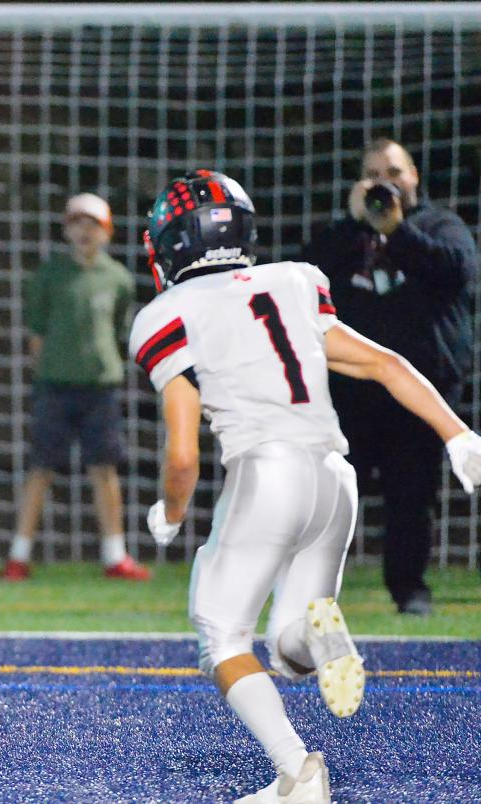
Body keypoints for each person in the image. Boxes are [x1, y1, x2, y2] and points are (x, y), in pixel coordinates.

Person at [129, 170, 481, 803]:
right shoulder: (294, 280)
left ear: (174, 243)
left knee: (220, 634)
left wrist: (171, 512)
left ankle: (298, 774)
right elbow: (386, 364)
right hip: (333, 478)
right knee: (287, 650)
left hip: (268, 473)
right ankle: (320, 638)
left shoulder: (167, 312)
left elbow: (183, 453)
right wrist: (458, 434)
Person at [303, 138, 478, 615]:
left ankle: (410, 591)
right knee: (333, 492)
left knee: (412, 495)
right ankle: (312, 593)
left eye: (395, 170)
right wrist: (354, 222)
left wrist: (396, 230)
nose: (386, 181)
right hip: (350, 387)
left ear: (415, 177)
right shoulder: (344, 235)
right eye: (374, 173)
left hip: (421, 390)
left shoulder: (440, 225)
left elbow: (456, 272)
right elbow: (305, 280)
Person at [1, 193, 150, 582]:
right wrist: (49, 368)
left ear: (106, 232)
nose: (85, 231)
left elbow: (119, 331)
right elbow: (37, 333)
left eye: (93, 224)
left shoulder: (117, 278)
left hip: (100, 389)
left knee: (105, 469)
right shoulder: (49, 275)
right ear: (67, 229)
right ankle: (18, 556)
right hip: (54, 387)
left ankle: (115, 555)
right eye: (78, 223)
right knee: (41, 469)